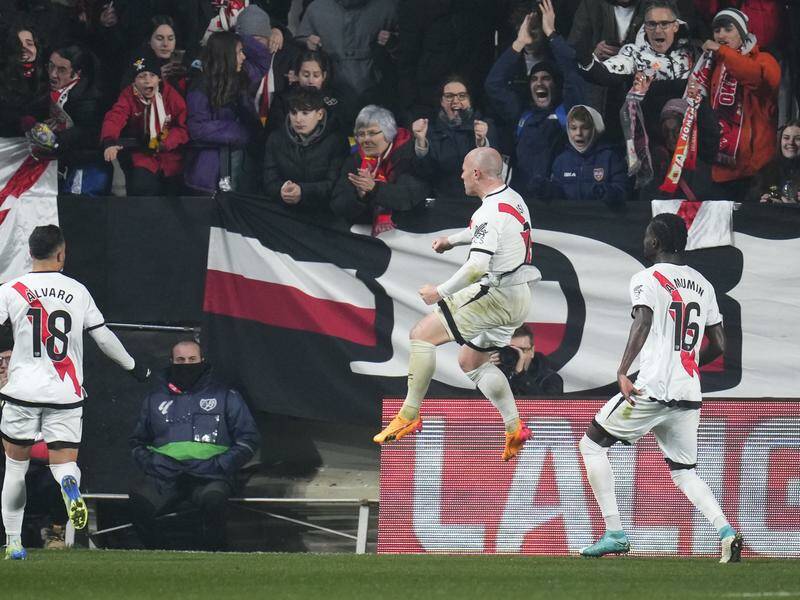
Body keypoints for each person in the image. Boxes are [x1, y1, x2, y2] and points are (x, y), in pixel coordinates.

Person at [578, 213, 743, 563]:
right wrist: (688, 362)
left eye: (647, 234)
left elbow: (644, 320)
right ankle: (726, 532)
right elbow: (719, 343)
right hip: (688, 391)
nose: (645, 239)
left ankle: (615, 533)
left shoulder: (647, 278)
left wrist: (623, 370)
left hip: (652, 387)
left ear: (655, 242)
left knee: (591, 444)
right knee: (684, 471)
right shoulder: (703, 283)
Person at [373, 147, 539, 462]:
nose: (460, 175)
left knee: (421, 335)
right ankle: (514, 426)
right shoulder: (511, 198)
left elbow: (477, 266)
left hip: (495, 294)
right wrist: (452, 240)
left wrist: (441, 291)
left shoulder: (489, 211)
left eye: (464, 169)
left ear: (476, 173)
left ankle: (409, 414)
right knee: (471, 362)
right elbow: (487, 233)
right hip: (519, 296)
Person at [0, 225, 150, 561]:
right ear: (61, 253)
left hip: (22, 392)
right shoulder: (77, 291)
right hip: (66, 394)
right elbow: (104, 338)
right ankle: (70, 485)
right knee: (65, 465)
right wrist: (135, 367)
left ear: (30, 253)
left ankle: (13, 543)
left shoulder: (11, 289)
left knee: (15, 469)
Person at [128, 340, 260, 551]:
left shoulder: (226, 395)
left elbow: (248, 439)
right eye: (180, 360)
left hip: (210, 476)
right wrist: (154, 463)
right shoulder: (154, 398)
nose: (186, 364)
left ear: (202, 361)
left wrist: (220, 465)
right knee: (139, 500)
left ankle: (214, 557)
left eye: (192, 359)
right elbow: (137, 442)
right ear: (171, 362)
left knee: (214, 501)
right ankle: (161, 557)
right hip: (165, 477)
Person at [484, 0, 585, 198]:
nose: (539, 84)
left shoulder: (569, 113)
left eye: (546, 79)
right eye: (535, 79)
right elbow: (493, 85)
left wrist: (552, 34)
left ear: (556, 85)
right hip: (524, 197)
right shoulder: (522, 114)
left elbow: (573, 75)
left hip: (560, 199)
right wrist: (519, 43)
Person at [694, 8, 781, 200]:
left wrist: (722, 52)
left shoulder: (765, 60)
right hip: (721, 170)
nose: (721, 35)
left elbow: (755, 79)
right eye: (717, 31)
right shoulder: (713, 64)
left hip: (757, 171)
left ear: (742, 33)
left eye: (728, 29)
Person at [184, 31, 268, 194]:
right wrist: (239, 131)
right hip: (209, 171)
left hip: (242, 166)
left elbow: (263, 59)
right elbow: (197, 128)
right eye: (239, 52)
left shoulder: (242, 76)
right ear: (226, 55)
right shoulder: (200, 86)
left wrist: (236, 33)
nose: (244, 57)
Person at [100, 52, 189, 196]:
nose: (148, 81)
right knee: (141, 189)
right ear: (134, 81)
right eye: (142, 76)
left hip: (171, 158)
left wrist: (162, 143)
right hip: (143, 157)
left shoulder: (170, 94)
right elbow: (115, 116)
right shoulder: (129, 95)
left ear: (159, 78)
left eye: (152, 76)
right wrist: (109, 140)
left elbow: (182, 127)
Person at [331, 105, 428, 236]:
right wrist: (360, 196)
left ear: (388, 133)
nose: (365, 140)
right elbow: (338, 205)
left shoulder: (408, 154)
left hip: (410, 234)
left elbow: (409, 196)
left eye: (372, 133)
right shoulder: (355, 161)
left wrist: (375, 188)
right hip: (366, 238)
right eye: (361, 134)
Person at [263, 87, 348, 216]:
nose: (298, 119)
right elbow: (269, 179)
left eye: (305, 113)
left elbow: (335, 185)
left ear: (320, 114)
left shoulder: (337, 141)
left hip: (323, 214)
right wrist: (282, 189)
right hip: (283, 211)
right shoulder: (275, 138)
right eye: (293, 112)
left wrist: (303, 191)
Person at [411, 76, 496, 199]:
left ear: (470, 100)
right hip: (444, 202)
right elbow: (424, 173)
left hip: (479, 201)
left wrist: (482, 142)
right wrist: (420, 142)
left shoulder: (485, 126)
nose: (455, 101)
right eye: (449, 96)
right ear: (441, 101)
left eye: (462, 96)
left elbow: (493, 170)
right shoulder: (429, 130)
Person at [546, 104, 629, 202]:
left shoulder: (610, 158)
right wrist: (548, 190)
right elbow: (558, 195)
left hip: (600, 217)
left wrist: (607, 193)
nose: (578, 133)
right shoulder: (561, 161)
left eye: (585, 128)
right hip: (569, 217)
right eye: (573, 128)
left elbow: (623, 192)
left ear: (594, 129)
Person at [267, 49, 342, 134]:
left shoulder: (334, 100)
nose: (310, 80)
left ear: (324, 76)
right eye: (306, 75)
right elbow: (274, 132)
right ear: (297, 74)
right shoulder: (283, 99)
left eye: (316, 75)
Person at [0, 23, 49, 137]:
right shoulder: (3, 76)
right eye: (18, 44)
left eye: (29, 44)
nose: (24, 49)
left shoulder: (47, 74)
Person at [491, 325, 563, 396]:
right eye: (510, 350)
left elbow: (545, 406)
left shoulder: (550, 379)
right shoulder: (492, 373)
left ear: (532, 351)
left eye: (521, 350)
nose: (517, 355)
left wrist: (521, 376)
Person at [747, 119, 800, 203]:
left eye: (798, 139)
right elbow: (750, 202)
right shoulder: (766, 171)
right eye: (786, 138)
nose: (791, 142)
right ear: (780, 140)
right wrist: (763, 199)